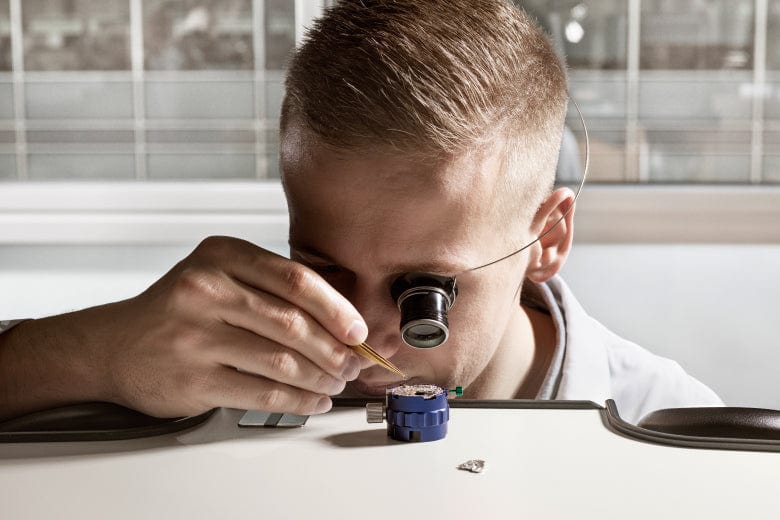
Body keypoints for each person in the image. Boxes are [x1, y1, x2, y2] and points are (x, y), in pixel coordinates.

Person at [0, 0, 721, 425]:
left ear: (548, 237)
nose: (359, 335)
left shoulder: (670, 427)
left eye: (423, 294)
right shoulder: (193, 374)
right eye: (326, 274)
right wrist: (90, 354)